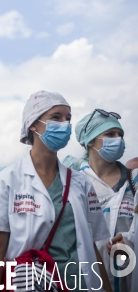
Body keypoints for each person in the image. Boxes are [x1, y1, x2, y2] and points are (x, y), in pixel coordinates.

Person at [0, 91, 112, 292]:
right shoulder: (4, 182)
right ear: (32, 124)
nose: (65, 124)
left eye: (68, 118)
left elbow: (91, 247)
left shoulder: (81, 183)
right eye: (56, 117)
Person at [64, 109, 136, 292]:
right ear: (90, 141)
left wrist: (128, 241)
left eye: (121, 135)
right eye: (110, 134)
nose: (118, 140)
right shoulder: (72, 183)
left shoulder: (133, 181)